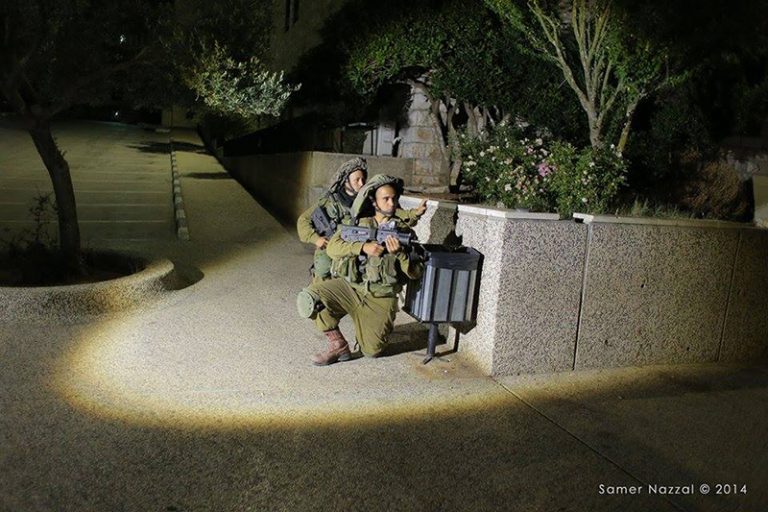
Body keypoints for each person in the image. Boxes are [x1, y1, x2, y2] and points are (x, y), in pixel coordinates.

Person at [296, 175, 425, 365]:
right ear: (374, 201)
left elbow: (416, 272)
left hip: (380, 297)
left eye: (394, 199)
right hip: (351, 288)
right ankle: (338, 345)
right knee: (311, 298)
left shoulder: (404, 232)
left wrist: (400, 254)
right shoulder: (358, 224)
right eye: (386, 199)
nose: (391, 203)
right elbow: (333, 248)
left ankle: (369, 328)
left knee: (372, 351)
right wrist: (362, 247)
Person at [296, 158, 427, 283]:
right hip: (335, 244)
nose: (361, 183)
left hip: (357, 246)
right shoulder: (331, 201)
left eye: (363, 179)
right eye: (356, 180)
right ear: (346, 180)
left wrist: (414, 214)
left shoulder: (366, 200)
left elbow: (392, 212)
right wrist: (316, 239)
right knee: (323, 268)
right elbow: (303, 220)